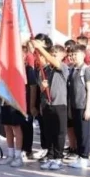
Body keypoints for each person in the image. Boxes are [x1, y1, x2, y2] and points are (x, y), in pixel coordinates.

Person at [33, 41, 69, 170]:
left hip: (59, 104)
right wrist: (43, 88)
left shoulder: (63, 67)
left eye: (56, 54)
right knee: (49, 132)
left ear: (62, 55)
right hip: (47, 104)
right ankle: (51, 156)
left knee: (59, 132)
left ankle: (59, 158)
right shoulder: (44, 70)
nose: (53, 56)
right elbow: (40, 88)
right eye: (52, 53)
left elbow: (53, 61)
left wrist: (40, 48)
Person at [67, 44, 90, 169]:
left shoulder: (86, 70)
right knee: (78, 132)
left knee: (85, 133)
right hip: (74, 106)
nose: (73, 57)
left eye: (76, 54)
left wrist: (88, 108)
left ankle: (85, 157)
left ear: (83, 55)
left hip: (83, 106)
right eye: (72, 54)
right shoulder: (73, 69)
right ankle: (80, 155)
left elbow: (89, 90)